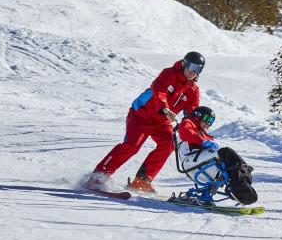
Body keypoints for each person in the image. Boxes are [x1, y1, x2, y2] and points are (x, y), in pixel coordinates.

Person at [88, 51, 205, 193]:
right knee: (132, 145)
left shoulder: (193, 90)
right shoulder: (169, 74)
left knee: (169, 144)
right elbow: (159, 91)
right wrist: (165, 109)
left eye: (198, 69)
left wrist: (197, 126)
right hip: (142, 115)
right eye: (192, 66)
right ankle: (99, 175)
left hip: (162, 121)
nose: (193, 72)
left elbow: (192, 112)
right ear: (184, 64)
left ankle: (142, 180)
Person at [176, 105, 258, 205]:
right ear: (198, 116)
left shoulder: (202, 132)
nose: (208, 124)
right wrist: (203, 142)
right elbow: (186, 133)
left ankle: (242, 185)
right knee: (226, 152)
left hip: (200, 161)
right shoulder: (187, 123)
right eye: (207, 119)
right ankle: (237, 187)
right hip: (190, 161)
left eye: (211, 121)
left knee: (240, 165)